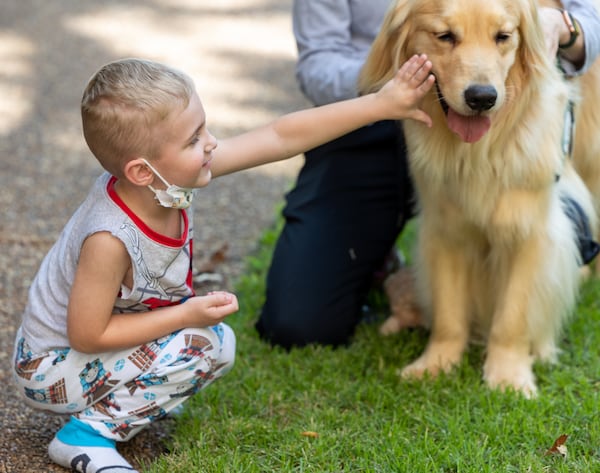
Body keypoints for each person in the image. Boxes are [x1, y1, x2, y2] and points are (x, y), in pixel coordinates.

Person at [11, 55, 434, 472]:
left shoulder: (166, 182)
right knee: (205, 345)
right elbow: (88, 334)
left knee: (207, 341)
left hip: (80, 352)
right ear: (142, 171)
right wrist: (183, 315)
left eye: (204, 129)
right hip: (50, 367)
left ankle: (132, 400)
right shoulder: (109, 238)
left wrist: (381, 104)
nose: (210, 143)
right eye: (193, 139)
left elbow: (280, 136)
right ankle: (84, 437)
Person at [256, 0, 600, 349]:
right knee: (297, 324)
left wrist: (563, 25)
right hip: (365, 116)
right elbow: (319, 61)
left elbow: (592, 14)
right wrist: (398, 78)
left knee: (525, 226)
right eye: (446, 35)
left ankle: (512, 340)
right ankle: (389, 270)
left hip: (507, 116)